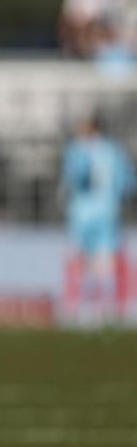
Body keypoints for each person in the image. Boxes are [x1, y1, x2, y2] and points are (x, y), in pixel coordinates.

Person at [61, 115, 135, 323]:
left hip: (83, 212)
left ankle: (81, 309)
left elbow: (74, 178)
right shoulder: (113, 150)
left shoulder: (77, 150)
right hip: (108, 211)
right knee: (105, 261)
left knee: (81, 259)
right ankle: (104, 308)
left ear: (90, 129)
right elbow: (127, 182)